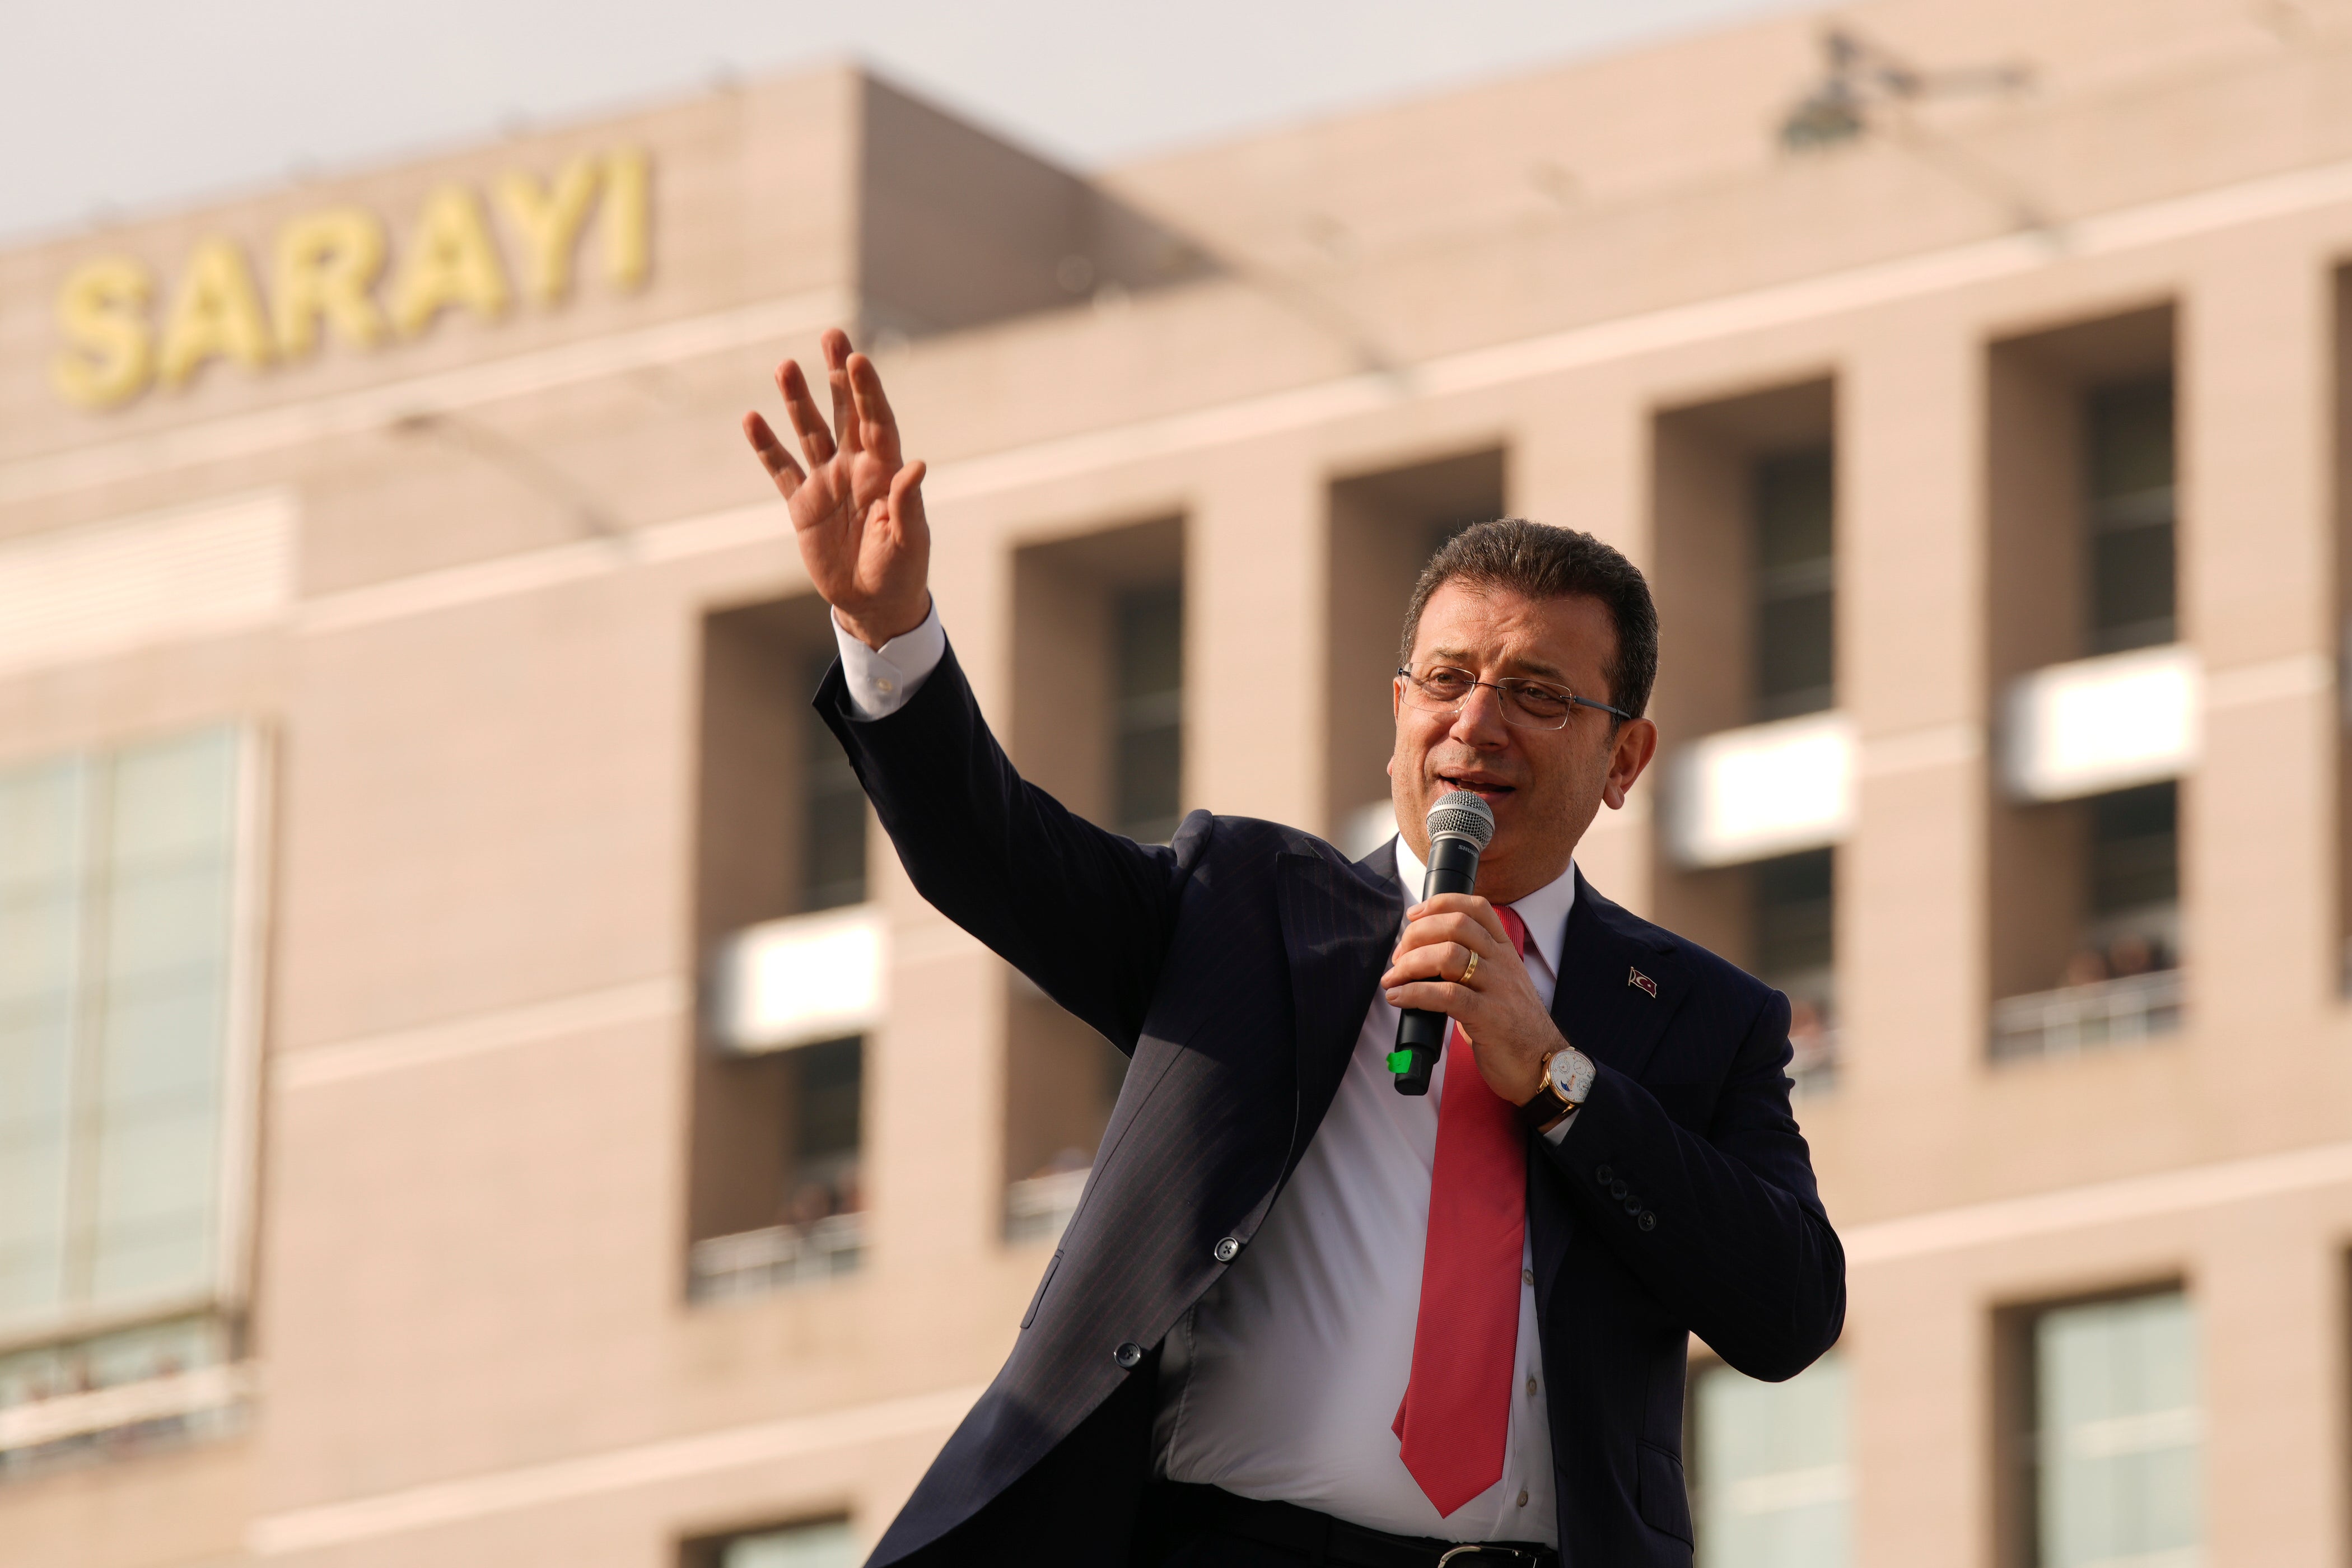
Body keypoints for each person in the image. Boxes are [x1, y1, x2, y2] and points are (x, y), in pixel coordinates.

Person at [742, 330, 1845, 1568]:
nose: (1475, 719)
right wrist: (886, 633)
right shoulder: (1248, 908)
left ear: (1625, 759)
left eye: (1538, 692)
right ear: (1400, 712)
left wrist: (1558, 1077)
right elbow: (992, 855)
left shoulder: (1700, 1017)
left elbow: (1790, 1308)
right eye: (1448, 677)